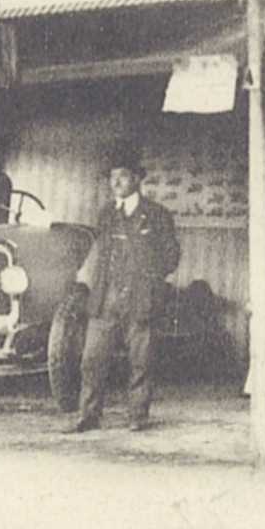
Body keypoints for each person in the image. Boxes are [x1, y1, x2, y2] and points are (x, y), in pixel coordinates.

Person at [66, 142, 181, 433]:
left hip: (140, 300)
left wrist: (148, 282)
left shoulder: (155, 214)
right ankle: (88, 415)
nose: (116, 182)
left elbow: (171, 257)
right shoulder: (106, 214)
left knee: (141, 363)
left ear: (137, 179)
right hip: (105, 300)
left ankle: (137, 417)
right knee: (91, 361)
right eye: (112, 177)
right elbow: (100, 255)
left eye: (123, 176)